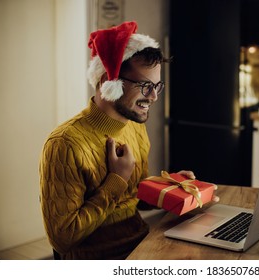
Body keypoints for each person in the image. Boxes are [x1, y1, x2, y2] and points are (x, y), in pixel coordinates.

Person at [39, 21, 197, 260]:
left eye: (157, 86)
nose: (153, 96)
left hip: (143, 244)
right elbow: (62, 239)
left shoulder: (134, 125)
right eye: (145, 85)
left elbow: (137, 199)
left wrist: (169, 187)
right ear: (107, 82)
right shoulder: (64, 144)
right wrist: (116, 180)